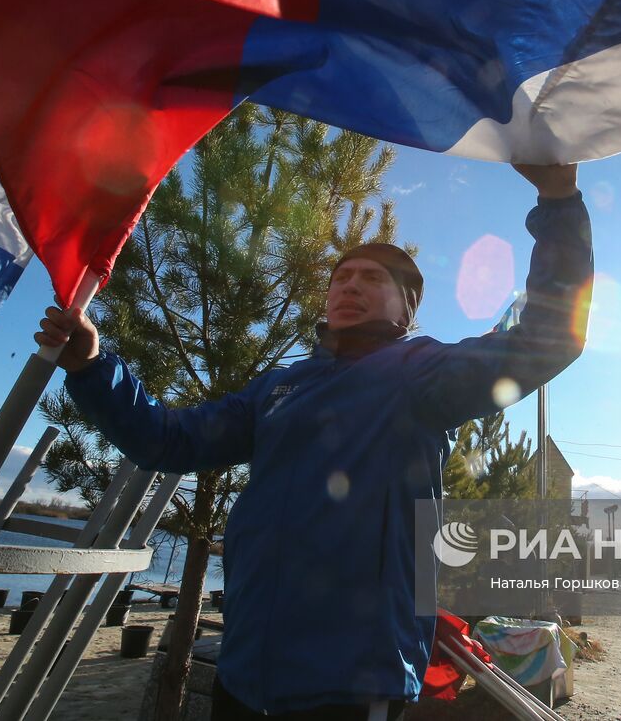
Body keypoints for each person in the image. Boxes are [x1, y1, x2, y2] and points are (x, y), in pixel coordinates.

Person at [36, 163, 592, 719]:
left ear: (406, 309)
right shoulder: (279, 387)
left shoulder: (422, 374)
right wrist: (90, 366)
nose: (349, 285)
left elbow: (550, 337)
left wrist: (558, 198)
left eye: (373, 279)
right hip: (246, 671)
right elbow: (169, 441)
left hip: (351, 683)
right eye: (341, 277)